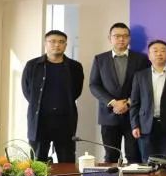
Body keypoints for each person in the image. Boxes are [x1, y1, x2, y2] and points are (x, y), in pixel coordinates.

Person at [89, 22, 150, 163]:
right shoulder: (100, 59)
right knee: (111, 156)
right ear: (109, 38)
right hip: (108, 115)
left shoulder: (141, 59)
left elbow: (145, 85)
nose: (121, 39)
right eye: (117, 36)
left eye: (125, 36)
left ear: (129, 38)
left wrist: (128, 102)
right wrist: (113, 102)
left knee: (134, 156)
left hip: (133, 116)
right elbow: (94, 85)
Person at [22, 30, 84, 162]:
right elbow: (27, 91)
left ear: (66, 45)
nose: (57, 45)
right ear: (45, 43)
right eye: (53, 41)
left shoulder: (75, 67)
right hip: (40, 120)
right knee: (37, 161)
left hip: (65, 120)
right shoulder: (33, 65)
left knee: (67, 160)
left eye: (61, 42)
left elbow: (76, 91)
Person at [130, 40, 166, 161]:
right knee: (147, 162)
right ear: (149, 55)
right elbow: (135, 103)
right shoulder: (140, 76)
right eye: (155, 51)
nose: (159, 54)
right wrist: (135, 125)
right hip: (145, 126)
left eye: (163, 51)